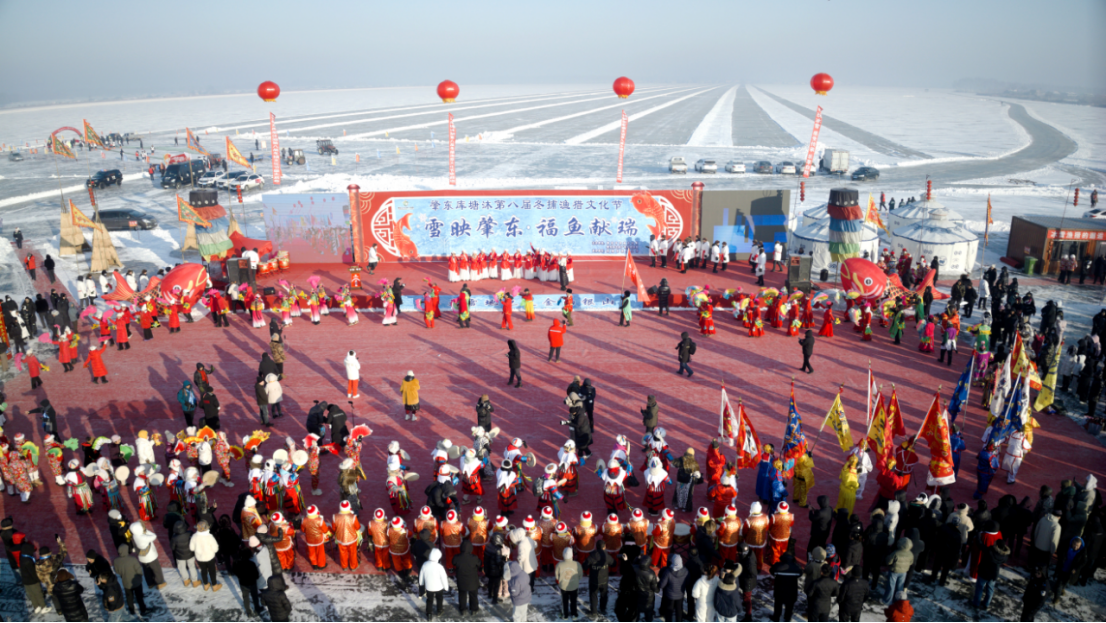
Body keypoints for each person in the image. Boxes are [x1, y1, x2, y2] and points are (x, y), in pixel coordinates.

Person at [113, 544, 148, 617]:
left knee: (129, 597)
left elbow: (117, 571)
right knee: (139, 597)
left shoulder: (116, 561)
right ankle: (143, 610)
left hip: (126, 582)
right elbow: (138, 570)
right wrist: (140, 575)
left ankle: (131, 610)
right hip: (136, 582)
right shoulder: (132, 559)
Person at [585, 539, 613, 617]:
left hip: (594, 580)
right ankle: (603, 609)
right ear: (604, 547)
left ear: (596, 547)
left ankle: (594, 612)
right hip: (604, 580)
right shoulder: (607, 556)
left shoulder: (592, 556)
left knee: (593, 596)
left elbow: (584, 566)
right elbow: (614, 563)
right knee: (604, 595)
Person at [419, 548, 449, 621]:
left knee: (429, 600)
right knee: (439, 598)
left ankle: (429, 614)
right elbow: (444, 578)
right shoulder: (439, 566)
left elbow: (421, 575)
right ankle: (439, 610)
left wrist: (421, 583)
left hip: (429, 587)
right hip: (439, 587)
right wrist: (446, 587)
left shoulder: (425, 564)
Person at [881, 537, 913, 606]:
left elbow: (889, 562)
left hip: (894, 571)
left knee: (891, 586)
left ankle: (887, 600)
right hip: (903, 572)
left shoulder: (896, 553)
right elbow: (911, 562)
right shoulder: (910, 554)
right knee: (900, 587)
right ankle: (898, 601)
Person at [453, 539, 482, 616]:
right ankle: (474, 609)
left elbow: (453, 562)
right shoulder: (474, 558)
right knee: (473, 595)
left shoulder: (457, 557)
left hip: (461, 581)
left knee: (462, 595)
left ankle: (463, 609)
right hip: (472, 581)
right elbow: (479, 563)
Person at [191, 520, 221, 591]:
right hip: (210, 557)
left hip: (200, 558)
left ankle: (206, 585)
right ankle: (214, 586)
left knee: (203, 571)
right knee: (212, 571)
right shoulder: (209, 536)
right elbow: (215, 549)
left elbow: (191, 548)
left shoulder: (194, 536)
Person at [508, 557, 533, 622]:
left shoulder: (514, 580)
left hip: (518, 601)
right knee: (523, 614)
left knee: (516, 616)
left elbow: (514, 593)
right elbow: (528, 581)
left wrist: (509, 587)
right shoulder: (523, 573)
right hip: (526, 597)